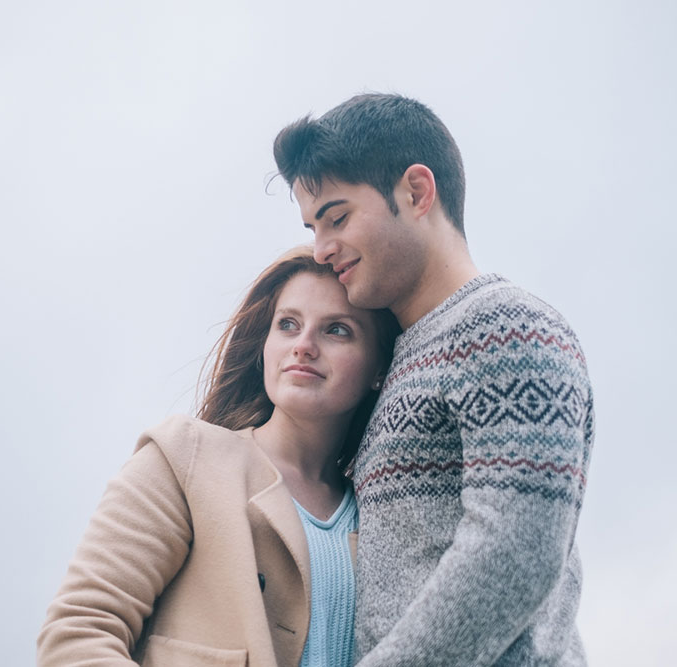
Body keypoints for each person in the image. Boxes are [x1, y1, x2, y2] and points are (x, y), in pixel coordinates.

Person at [272, 94, 594, 666]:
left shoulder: (506, 326)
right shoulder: (399, 361)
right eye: (311, 227)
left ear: (416, 193)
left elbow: (515, 553)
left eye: (337, 217)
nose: (321, 250)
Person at [37, 246, 400, 666]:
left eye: (336, 330)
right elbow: (79, 632)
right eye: (287, 324)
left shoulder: (381, 514)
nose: (303, 345)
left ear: (379, 369)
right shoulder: (184, 457)